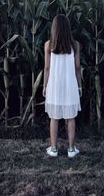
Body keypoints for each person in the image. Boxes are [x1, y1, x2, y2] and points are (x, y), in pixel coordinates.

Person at [43, 14, 82, 158]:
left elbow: (47, 68)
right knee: (71, 118)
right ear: (68, 28)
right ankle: (71, 149)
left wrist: (45, 86)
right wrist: (79, 86)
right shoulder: (75, 45)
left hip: (54, 85)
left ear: (54, 28)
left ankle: (53, 149)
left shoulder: (49, 45)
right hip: (70, 85)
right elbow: (78, 68)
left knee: (54, 118)